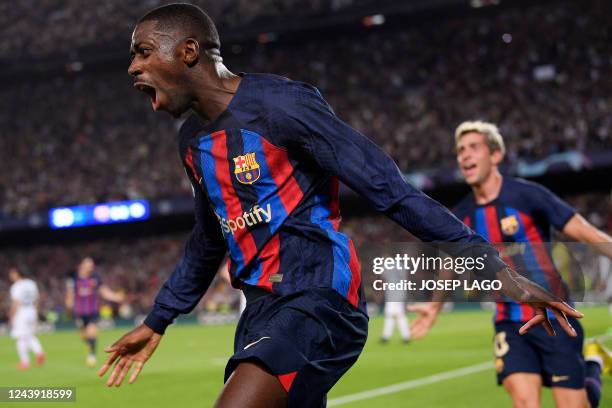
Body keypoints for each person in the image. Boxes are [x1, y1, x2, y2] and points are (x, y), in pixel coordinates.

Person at [98, 5, 582, 407]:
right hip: (261, 313)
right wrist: (157, 319)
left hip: (318, 296)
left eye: (142, 51)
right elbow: (208, 240)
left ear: (188, 51)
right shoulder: (192, 143)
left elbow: (386, 187)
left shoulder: (281, 105)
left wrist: (490, 266)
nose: (132, 67)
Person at [410, 121, 612, 408]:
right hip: (510, 323)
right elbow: (449, 264)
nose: (464, 155)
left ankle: (592, 364)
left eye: (473, 147)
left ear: (495, 156)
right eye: (460, 150)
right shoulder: (461, 215)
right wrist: (435, 305)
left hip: (555, 315)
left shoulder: (528, 196)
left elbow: (584, 231)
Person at [65, 256, 125, 367]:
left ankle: (91, 355)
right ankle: (89, 345)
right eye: (88, 264)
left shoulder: (95, 278)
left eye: (92, 265)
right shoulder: (73, 279)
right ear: (82, 265)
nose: (91, 267)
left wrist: (116, 297)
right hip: (79, 312)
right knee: (84, 336)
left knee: (92, 332)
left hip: (92, 311)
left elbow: (104, 291)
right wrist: (68, 307)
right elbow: (69, 295)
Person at [8, 267, 45, 370]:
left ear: (17, 274)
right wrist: (36, 311)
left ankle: (25, 362)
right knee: (28, 335)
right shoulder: (31, 283)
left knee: (21, 337)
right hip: (32, 310)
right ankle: (39, 352)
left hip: (22, 312)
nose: (11, 276)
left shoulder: (16, 286)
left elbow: (17, 302)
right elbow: (37, 298)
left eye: (12, 273)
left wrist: (11, 314)